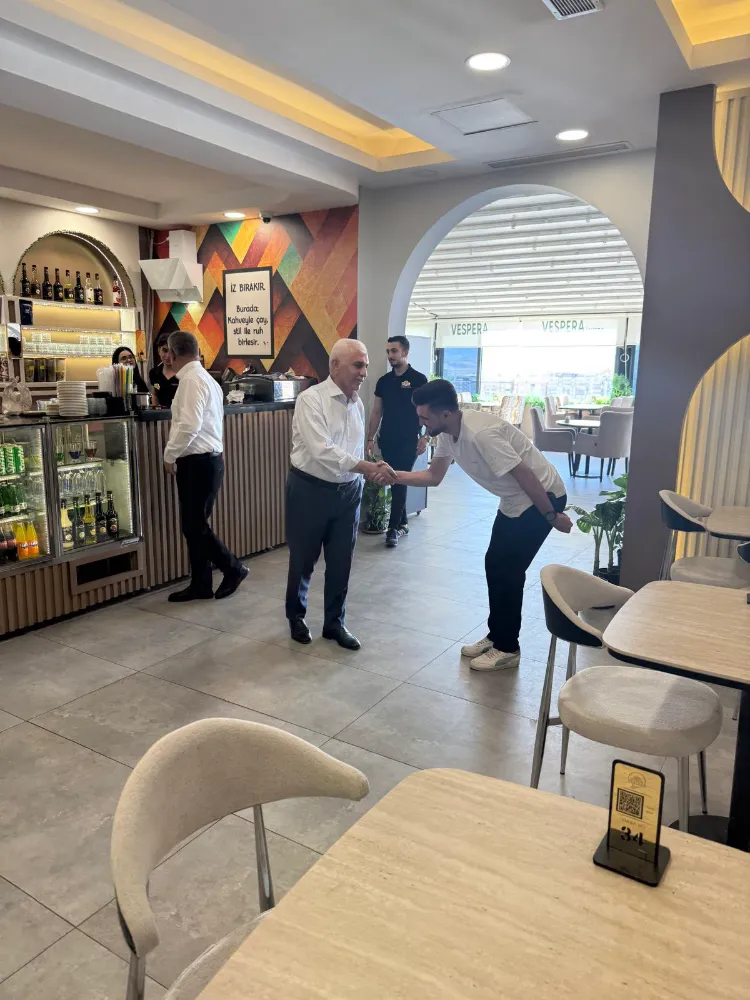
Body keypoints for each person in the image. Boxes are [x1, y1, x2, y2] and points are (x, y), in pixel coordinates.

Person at [393, 379, 573, 672]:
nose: (421, 422)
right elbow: (434, 476)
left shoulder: (481, 434)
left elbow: (525, 475)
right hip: (514, 498)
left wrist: (552, 516)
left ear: (446, 414)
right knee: (494, 564)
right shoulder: (447, 433)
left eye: (425, 417)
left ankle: (508, 648)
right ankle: (496, 635)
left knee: (509, 571)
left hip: (541, 496)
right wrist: (395, 476)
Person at [286, 339, 394, 650]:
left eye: (366, 366)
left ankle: (334, 623)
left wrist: (365, 469)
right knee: (303, 560)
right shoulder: (311, 400)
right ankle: (296, 617)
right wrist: (365, 467)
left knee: (341, 562)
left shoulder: (357, 404)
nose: (364, 373)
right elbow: (321, 450)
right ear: (335, 365)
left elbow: (354, 449)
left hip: (349, 492)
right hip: (309, 490)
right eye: (358, 365)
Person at [163, 331, 247, 602]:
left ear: (172, 354)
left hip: (197, 463)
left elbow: (189, 425)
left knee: (194, 527)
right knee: (195, 526)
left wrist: (169, 454)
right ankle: (201, 584)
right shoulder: (206, 379)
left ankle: (233, 568)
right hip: (207, 462)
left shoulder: (191, 381)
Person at [367, 335, 428, 548]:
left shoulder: (419, 380)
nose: (390, 355)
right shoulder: (384, 381)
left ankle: (392, 529)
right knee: (393, 481)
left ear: (405, 352)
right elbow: (377, 411)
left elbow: (431, 410)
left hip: (409, 440)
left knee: (399, 479)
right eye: (388, 351)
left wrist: (427, 436)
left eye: (394, 351)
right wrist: (370, 438)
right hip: (387, 439)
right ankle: (403, 524)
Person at [148, 334, 180, 408]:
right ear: (159, 350)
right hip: (161, 414)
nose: (168, 356)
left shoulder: (184, 372)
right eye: (165, 350)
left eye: (172, 352)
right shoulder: (154, 373)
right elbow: (155, 394)